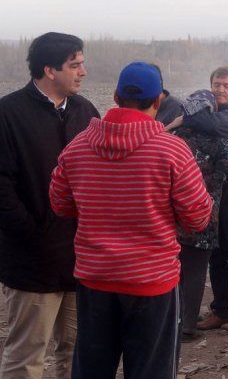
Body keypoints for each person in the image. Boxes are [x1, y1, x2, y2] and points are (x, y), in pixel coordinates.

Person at [48, 62, 213, 379]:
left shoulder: (77, 148)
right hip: (152, 284)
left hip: (95, 281)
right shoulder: (172, 151)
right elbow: (198, 218)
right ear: (158, 102)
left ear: (115, 96)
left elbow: (59, 203)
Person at [0, 32, 99, 379]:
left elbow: (101, 176)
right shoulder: (8, 114)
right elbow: (2, 189)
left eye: (82, 63)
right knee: (27, 357)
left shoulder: (86, 112)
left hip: (81, 260)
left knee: (79, 352)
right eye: (75, 65)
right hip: (31, 263)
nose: (83, 71)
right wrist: (35, 234)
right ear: (49, 70)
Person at [176, 67, 228, 332]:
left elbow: (208, 125)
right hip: (212, 199)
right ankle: (220, 310)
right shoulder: (207, 112)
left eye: (226, 86)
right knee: (215, 256)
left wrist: (188, 115)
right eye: (216, 85)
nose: (220, 90)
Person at [170, 90, 228, 342]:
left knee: (175, 269)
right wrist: (204, 186)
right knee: (196, 269)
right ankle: (187, 325)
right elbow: (226, 174)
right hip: (206, 212)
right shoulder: (223, 139)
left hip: (175, 214)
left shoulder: (176, 138)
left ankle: (172, 320)